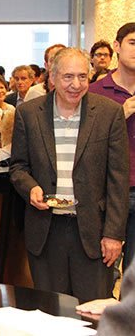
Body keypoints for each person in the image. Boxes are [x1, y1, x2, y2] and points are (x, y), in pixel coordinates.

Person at [10, 47, 129, 303]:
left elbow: (118, 179)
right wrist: (30, 188)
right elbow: (18, 166)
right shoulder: (28, 114)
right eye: (68, 77)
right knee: (50, 310)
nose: (76, 84)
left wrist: (114, 234)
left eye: (82, 77)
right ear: (52, 77)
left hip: (93, 232)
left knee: (92, 312)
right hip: (45, 231)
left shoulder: (109, 113)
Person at [89, 22, 135, 274]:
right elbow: (87, 142)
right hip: (106, 191)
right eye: (133, 43)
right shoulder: (96, 92)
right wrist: (121, 114)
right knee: (103, 271)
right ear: (117, 46)